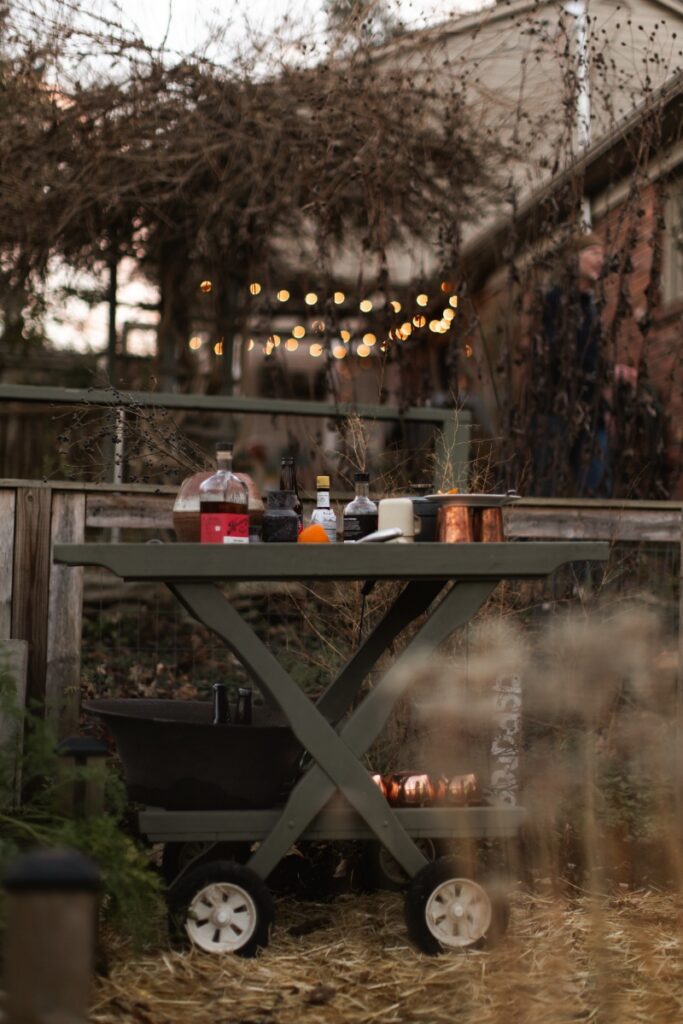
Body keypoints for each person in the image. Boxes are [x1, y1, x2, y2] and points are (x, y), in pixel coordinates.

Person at [530, 232, 632, 497]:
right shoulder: (555, 301)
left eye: (602, 253)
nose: (602, 259)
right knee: (546, 486)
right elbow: (560, 356)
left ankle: (598, 539)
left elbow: (591, 358)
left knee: (597, 488)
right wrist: (611, 372)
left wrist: (605, 405)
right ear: (574, 259)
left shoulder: (591, 308)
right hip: (557, 407)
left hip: (591, 411)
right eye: (594, 253)